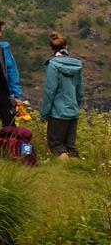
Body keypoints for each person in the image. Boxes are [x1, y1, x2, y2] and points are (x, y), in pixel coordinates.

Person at [40, 31, 85, 160]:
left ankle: (64, 171)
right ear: (66, 46)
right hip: (73, 111)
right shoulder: (77, 65)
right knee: (71, 146)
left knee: (56, 145)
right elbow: (80, 91)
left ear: (52, 48)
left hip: (58, 113)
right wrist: (75, 106)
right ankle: (76, 171)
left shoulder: (53, 65)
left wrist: (45, 113)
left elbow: (50, 91)